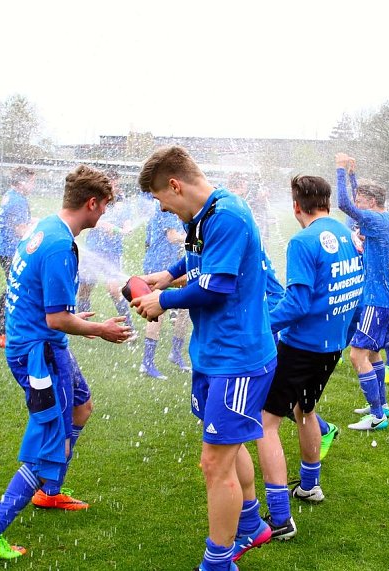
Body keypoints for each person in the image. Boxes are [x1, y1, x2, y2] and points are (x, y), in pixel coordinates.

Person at [0, 165, 133, 560]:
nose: (106, 213)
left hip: (47, 346)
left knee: (81, 405)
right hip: (38, 354)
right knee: (47, 443)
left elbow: (48, 309)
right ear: (91, 203)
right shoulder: (60, 246)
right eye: (105, 205)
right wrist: (100, 330)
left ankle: (49, 491)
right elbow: (56, 319)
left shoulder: (47, 228)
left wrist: (75, 324)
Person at [131, 146, 277, 571]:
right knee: (228, 450)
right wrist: (167, 274)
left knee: (214, 463)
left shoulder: (228, 214)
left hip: (239, 359)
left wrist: (164, 300)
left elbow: (216, 287)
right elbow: (199, 255)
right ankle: (251, 525)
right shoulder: (206, 215)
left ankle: (218, 563)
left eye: (162, 201)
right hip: (213, 354)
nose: (163, 210)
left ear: (175, 185)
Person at [255, 174, 362, 542]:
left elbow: (297, 304)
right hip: (331, 347)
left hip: (302, 347)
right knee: (306, 410)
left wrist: (259, 327)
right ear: (328, 203)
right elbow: (355, 291)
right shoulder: (347, 234)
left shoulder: (302, 242)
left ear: (296, 205)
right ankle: (310, 486)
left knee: (266, 423)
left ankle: (281, 519)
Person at [336, 154, 389, 429]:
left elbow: (343, 203)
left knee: (357, 354)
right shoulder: (387, 218)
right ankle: (382, 405)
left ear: (372, 202)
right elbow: (354, 200)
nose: (357, 207)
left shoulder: (375, 221)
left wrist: (340, 170)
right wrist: (354, 176)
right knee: (374, 354)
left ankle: (377, 417)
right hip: (387, 298)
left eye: (361, 202)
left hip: (378, 301)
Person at [76, 170, 135, 336]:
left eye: (115, 183)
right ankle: (82, 326)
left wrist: (127, 228)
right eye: (110, 183)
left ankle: (129, 329)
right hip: (93, 250)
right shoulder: (95, 200)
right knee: (85, 288)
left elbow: (128, 223)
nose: (113, 186)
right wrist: (114, 228)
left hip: (113, 253)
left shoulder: (122, 203)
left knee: (114, 289)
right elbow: (96, 223)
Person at [140, 200, 191, 379]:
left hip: (172, 266)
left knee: (186, 307)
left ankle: (176, 353)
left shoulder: (178, 206)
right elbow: (172, 236)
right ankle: (147, 363)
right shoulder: (165, 206)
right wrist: (198, 239)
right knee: (157, 312)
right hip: (158, 266)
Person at [0, 166, 35, 348]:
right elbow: (19, 229)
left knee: (12, 285)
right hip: (11, 250)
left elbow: (17, 221)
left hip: (5, 248)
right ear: (22, 181)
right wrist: (39, 236)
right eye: (32, 181)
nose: (33, 185)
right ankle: (2, 334)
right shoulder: (17, 200)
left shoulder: (12, 195)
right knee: (18, 289)